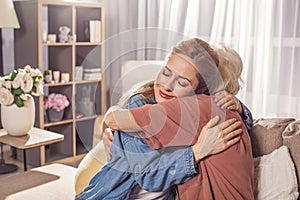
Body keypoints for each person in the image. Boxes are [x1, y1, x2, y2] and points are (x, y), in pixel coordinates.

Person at [76, 38, 253, 200]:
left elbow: (242, 129)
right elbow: (149, 177)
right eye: (166, 73)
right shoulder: (140, 105)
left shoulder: (191, 113)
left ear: (198, 93)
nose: (167, 86)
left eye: (182, 83)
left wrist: (240, 108)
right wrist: (197, 152)